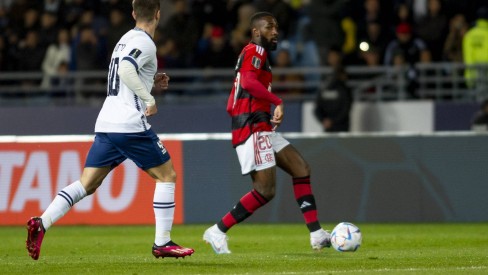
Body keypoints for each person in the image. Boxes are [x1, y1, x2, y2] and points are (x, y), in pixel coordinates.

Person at [25, 0, 194, 260]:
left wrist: (150, 80)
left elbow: (124, 71)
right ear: (159, 14)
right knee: (167, 176)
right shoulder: (146, 42)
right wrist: (148, 99)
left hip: (107, 122)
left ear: (133, 13)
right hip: (130, 124)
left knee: (87, 184)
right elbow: (126, 69)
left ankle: (42, 222)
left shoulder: (124, 38)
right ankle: (162, 242)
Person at [203, 12, 331, 254]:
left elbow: (231, 103)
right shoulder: (255, 51)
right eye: (270, 27)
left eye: (277, 27)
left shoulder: (250, 55)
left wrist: (253, 114)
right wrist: (276, 101)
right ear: (256, 31)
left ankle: (316, 234)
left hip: (258, 125)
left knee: (301, 168)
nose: (275, 31)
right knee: (265, 190)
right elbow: (249, 83)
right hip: (253, 127)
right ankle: (217, 231)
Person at [463, 6, 488, 90]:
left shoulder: (469, 35)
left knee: (477, 102)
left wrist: (470, 75)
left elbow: (467, 56)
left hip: (472, 74)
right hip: (486, 73)